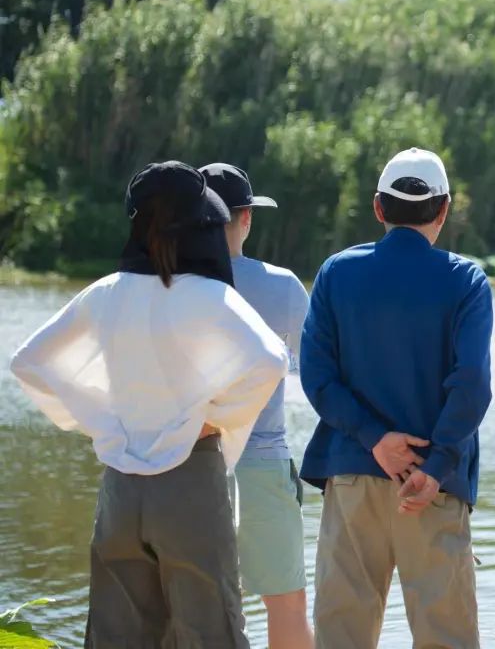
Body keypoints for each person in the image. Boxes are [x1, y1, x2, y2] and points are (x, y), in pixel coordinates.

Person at [9, 161, 288, 647]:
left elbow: (28, 362)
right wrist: (210, 418)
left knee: (117, 637)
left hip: (119, 488)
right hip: (190, 485)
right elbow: (270, 360)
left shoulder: (106, 293)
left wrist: (103, 420)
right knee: (212, 633)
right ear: (202, 222)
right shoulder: (210, 296)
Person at [299, 147, 493, 649]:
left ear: (379, 208)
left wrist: (373, 438)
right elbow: (471, 383)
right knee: (445, 636)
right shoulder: (466, 281)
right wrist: (439, 462)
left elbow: (318, 375)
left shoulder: (336, 273)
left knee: (342, 635)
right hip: (432, 484)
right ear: (444, 209)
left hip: (351, 475)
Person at [200, 162, 314, 649]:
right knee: (286, 603)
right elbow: (319, 375)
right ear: (246, 218)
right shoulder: (283, 285)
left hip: (190, 462)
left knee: (201, 602)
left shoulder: (172, 285)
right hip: (264, 461)